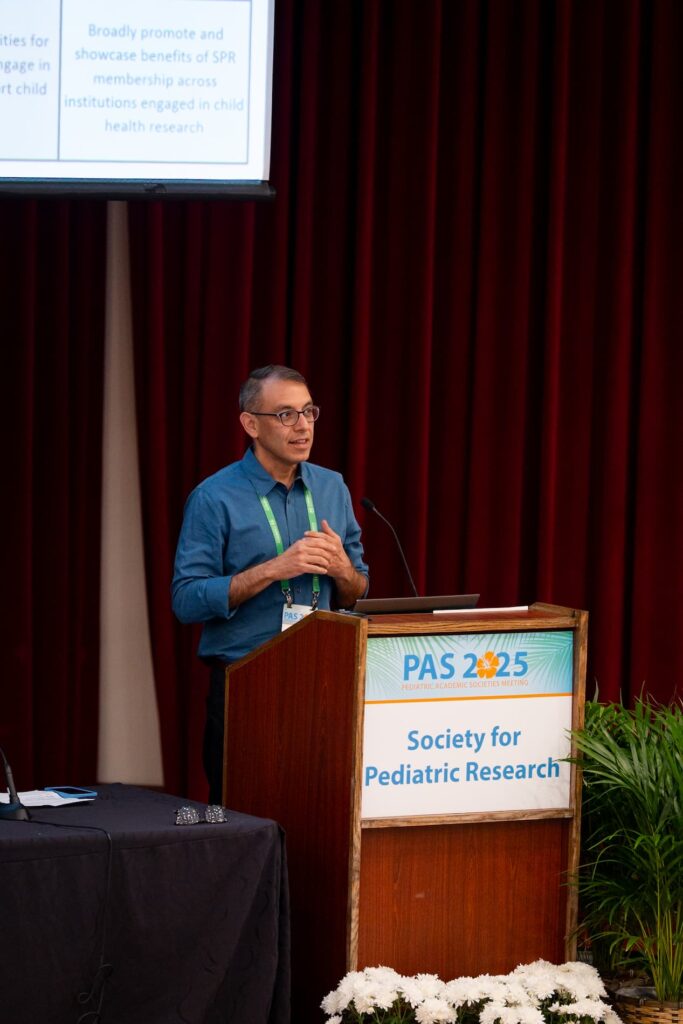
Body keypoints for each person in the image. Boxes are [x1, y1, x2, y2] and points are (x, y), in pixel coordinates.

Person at [172, 364, 369, 802]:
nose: (302, 426)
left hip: (326, 683)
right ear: (250, 424)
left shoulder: (332, 487)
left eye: (309, 412)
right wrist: (272, 569)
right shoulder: (214, 497)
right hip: (249, 687)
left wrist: (341, 569)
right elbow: (186, 600)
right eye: (285, 415)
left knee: (324, 815)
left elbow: (358, 589)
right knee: (246, 818)